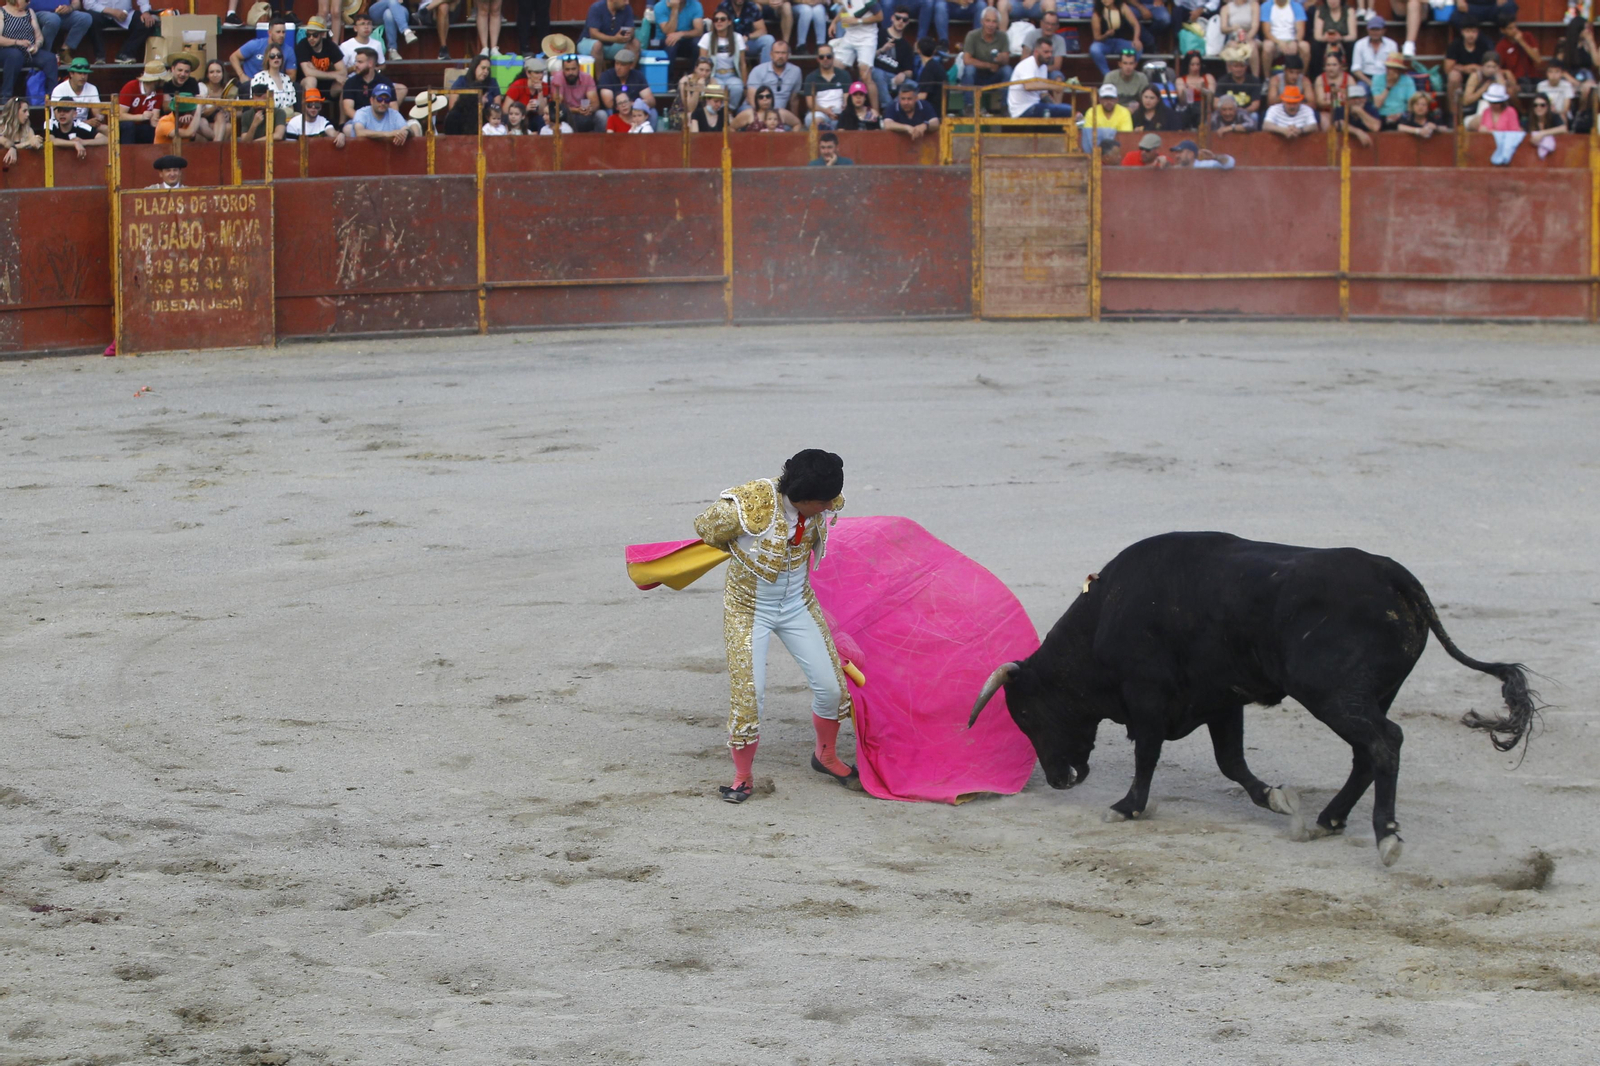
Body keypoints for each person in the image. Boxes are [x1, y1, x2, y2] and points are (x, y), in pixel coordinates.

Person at [693, 451, 856, 803]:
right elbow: (705, 529)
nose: (831, 507)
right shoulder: (744, 506)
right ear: (807, 499)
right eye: (825, 503)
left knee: (832, 689)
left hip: (799, 602)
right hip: (748, 608)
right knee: (750, 698)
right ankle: (742, 776)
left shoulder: (822, 498)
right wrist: (740, 546)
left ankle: (825, 756)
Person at [1315, 49, 1377, 143]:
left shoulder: (1348, 79)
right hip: (1326, 113)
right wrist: (1340, 100)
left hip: (1345, 113)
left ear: (1340, 66)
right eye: (1328, 65)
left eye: (1334, 65)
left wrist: (1336, 100)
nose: (1331, 68)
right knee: (1326, 120)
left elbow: (1354, 99)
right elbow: (1320, 102)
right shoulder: (1320, 79)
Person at [829, 0, 883, 109]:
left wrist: (857, 21)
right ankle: (836, 107)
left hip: (867, 37)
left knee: (865, 76)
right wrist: (834, 22)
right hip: (850, 36)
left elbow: (880, 16)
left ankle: (876, 113)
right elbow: (846, 8)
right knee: (835, 70)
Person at [1, 0, 56, 104]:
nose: (29, 2)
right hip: (8, 52)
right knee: (15, 55)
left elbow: (39, 36)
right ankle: (5, 96)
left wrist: (37, 45)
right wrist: (17, 42)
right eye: (26, 0)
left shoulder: (29, 12)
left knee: (50, 58)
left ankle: (52, 96)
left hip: (28, 52)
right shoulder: (2, 12)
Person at [1007, 37, 1073, 119]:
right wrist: (1054, 86)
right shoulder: (1028, 64)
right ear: (1036, 52)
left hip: (1036, 106)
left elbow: (1043, 94)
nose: (1049, 55)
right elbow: (1028, 86)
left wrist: (1055, 106)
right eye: (1046, 52)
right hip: (1023, 110)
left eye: (1051, 52)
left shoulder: (1043, 67)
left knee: (1067, 111)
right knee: (1069, 110)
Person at [343, 48, 409, 128]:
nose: (356, 65)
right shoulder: (351, 82)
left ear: (370, 63)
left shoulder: (385, 82)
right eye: (356, 62)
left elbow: (393, 107)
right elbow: (348, 109)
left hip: (382, 120)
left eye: (360, 62)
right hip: (359, 121)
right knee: (348, 129)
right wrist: (364, 121)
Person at [646, 0, 706, 83]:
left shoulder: (695, 5)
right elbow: (669, 31)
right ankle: (668, 82)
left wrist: (681, 34)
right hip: (665, 41)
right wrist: (675, 9)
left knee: (697, 43)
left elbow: (699, 31)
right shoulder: (660, 6)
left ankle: (692, 78)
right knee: (672, 44)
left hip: (685, 41)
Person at [699, 8, 746, 110]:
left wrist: (745, 84)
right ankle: (719, 112)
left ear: (729, 22)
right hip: (714, 75)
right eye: (716, 20)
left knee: (738, 87)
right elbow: (701, 63)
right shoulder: (707, 37)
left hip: (731, 75)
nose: (719, 22)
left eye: (722, 19)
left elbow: (743, 64)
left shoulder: (737, 37)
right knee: (717, 88)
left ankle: (729, 111)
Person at [80, 0, 153, 66]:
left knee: (146, 23)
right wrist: (113, 12)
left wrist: (145, 12)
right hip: (101, 14)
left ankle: (125, 54)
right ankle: (100, 57)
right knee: (89, 18)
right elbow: (88, 4)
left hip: (125, 15)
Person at [870, 6, 915, 109]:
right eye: (898, 18)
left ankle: (895, 106)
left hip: (893, 78)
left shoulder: (906, 46)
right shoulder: (879, 34)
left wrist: (903, 74)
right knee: (878, 73)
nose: (900, 22)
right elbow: (867, 58)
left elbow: (910, 71)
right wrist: (882, 50)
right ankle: (889, 109)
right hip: (876, 74)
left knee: (914, 85)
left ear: (907, 23)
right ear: (892, 18)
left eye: (904, 20)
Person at [598, 47, 656, 124]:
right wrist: (630, 104)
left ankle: (647, 136)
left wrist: (639, 103)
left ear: (631, 65)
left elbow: (651, 101)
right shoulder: (606, 76)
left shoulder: (638, 75)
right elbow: (608, 103)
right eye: (617, 63)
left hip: (635, 111)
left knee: (653, 113)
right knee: (604, 114)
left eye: (622, 65)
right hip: (615, 111)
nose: (618, 67)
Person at [296, 15, 347, 99]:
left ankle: (343, 112)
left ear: (322, 34)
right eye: (308, 35)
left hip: (327, 85)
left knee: (344, 83)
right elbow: (308, 72)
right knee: (311, 79)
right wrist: (334, 75)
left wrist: (314, 71)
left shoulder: (330, 45)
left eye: (315, 35)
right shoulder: (303, 45)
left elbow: (343, 72)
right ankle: (312, 109)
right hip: (306, 83)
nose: (311, 38)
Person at [231, 17, 296, 82]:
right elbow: (233, 57)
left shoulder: (289, 51)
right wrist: (241, 75)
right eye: (278, 32)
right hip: (251, 83)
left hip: (276, 84)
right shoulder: (255, 45)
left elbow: (292, 76)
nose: (281, 35)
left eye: (283, 32)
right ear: (269, 33)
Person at [351, 82, 421, 142]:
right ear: (372, 100)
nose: (383, 103)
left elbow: (406, 129)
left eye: (386, 100)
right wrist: (388, 134)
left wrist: (405, 132)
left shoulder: (394, 114)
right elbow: (359, 132)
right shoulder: (362, 113)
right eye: (379, 99)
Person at [745, 38, 800, 113]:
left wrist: (794, 118)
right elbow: (751, 97)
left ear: (788, 55)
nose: (780, 56)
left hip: (779, 114)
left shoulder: (796, 71)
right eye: (777, 53)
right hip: (755, 109)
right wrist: (764, 116)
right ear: (771, 54)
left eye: (783, 53)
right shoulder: (758, 70)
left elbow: (794, 99)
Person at [116, 58, 163, 145]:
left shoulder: (159, 91)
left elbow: (155, 117)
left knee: (152, 130)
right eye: (162, 79)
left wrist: (158, 122)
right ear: (156, 81)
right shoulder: (131, 86)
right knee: (128, 126)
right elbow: (120, 115)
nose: (164, 81)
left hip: (142, 126)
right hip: (124, 126)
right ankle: (126, 155)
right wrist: (141, 117)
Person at [803, 42, 848, 126]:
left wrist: (842, 111)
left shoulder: (844, 75)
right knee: (813, 119)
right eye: (821, 57)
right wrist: (825, 111)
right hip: (820, 113)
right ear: (818, 59)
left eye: (828, 56)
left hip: (840, 114)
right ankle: (824, 128)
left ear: (833, 57)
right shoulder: (811, 78)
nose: (825, 59)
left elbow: (847, 98)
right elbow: (810, 104)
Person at [1090, 0, 1140, 75]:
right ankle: (1107, 75)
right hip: (1104, 43)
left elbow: (1136, 24)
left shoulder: (1122, 7)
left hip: (1119, 42)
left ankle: (1128, 73)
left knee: (1138, 47)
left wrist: (1136, 39)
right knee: (1094, 49)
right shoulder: (1097, 12)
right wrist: (1106, 35)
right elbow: (1097, 37)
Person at [552, 53, 599, 132]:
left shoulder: (587, 77)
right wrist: (576, 110)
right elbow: (557, 105)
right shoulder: (558, 78)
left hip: (585, 112)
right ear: (563, 69)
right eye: (567, 69)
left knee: (601, 115)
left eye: (573, 69)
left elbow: (595, 103)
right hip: (567, 113)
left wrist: (589, 109)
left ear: (579, 68)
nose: (570, 72)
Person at [1444, 20, 1490, 100]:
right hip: (1460, 78)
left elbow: (1490, 66)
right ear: (1462, 32)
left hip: (1478, 78)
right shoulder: (1455, 45)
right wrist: (1466, 68)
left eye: (1473, 31)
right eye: (1467, 31)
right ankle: (1454, 111)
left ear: (1478, 32)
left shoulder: (1483, 45)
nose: (1470, 35)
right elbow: (1448, 69)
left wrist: (1477, 69)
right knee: (1454, 76)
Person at [1080, 80, 1132, 150]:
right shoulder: (1091, 112)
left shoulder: (1124, 112)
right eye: (1105, 99)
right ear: (1100, 99)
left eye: (1111, 99)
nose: (1108, 102)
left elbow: (1125, 135)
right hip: (1095, 150)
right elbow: (1089, 135)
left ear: (1117, 99)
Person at [581, 0, 635, 68]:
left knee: (635, 43)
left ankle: (629, 76)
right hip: (589, 42)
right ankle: (600, 78)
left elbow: (631, 29)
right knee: (597, 45)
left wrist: (628, 35)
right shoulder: (596, 8)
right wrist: (614, 39)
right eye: (624, 0)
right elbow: (593, 34)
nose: (627, 2)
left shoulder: (627, 8)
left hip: (615, 44)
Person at [1260, 0, 1311, 70]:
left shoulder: (1296, 6)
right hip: (1274, 42)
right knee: (1267, 46)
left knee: (1305, 46)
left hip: (1292, 41)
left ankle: (1301, 77)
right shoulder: (1266, 6)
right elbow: (1266, 32)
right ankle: (1267, 78)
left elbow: (1300, 31)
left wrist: (1295, 41)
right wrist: (1279, 42)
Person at [49, 55, 99, 127]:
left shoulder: (92, 88)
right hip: (61, 127)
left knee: (105, 129)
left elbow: (97, 113)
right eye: (79, 73)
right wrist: (84, 123)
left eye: (85, 73)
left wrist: (99, 117)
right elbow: (58, 117)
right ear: (71, 74)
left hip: (84, 127)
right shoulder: (59, 89)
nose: (83, 77)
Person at [1369, 52, 1415, 127]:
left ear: (1399, 70)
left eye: (1394, 68)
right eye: (1389, 67)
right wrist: (1388, 86)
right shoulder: (1377, 79)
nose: (1390, 71)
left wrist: (1400, 114)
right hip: (1382, 115)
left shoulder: (1407, 80)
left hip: (1401, 114)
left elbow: (1411, 104)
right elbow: (1377, 104)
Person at [1310, 0, 1355, 76]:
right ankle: (1316, 77)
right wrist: (1325, 38)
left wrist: (1340, 38)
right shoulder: (1320, 10)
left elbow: (1353, 35)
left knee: (1352, 45)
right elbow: (1317, 36)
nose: (1332, 1)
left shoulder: (1349, 11)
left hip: (1343, 40)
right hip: (1325, 41)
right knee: (1315, 45)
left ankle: (1350, 76)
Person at [1348, 12, 1394, 84]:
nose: (1375, 32)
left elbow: (1393, 68)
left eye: (1377, 29)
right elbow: (1356, 69)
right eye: (1372, 29)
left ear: (1384, 30)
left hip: (1385, 78)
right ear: (1368, 30)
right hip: (1365, 78)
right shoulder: (1359, 44)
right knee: (1359, 91)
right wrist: (1369, 82)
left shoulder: (1392, 44)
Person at [1217, 48, 1263, 114]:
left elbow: (1256, 104)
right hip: (1227, 113)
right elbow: (1216, 103)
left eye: (1242, 66)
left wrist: (1243, 112)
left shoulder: (1254, 81)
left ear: (1246, 67)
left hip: (1247, 112)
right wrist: (1229, 111)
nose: (1239, 69)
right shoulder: (1223, 81)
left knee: (1254, 116)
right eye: (1236, 66)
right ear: (1230, 67)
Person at [0, 94, 42, 165]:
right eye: (24, 111)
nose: (28, 114)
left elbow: (34, 143)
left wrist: (36, 141)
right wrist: (27, 143)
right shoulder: (1, 128)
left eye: (28, 111)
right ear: (15, 112)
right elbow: (5, 143)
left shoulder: (28, 130)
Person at [1220, 3, 1260, 74]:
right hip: (1233, 38)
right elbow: (1223, 29)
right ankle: (1231, 78)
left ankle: (1255, 79)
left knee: (1252, 46)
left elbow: (1255, 27)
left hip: (1251, 37)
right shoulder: (1225, 8)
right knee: (1231, 47)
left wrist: (1245, 39)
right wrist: (1232, 28)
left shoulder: (1254, 5)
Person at [915, 35, 948, 113]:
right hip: (939, 108)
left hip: (933, 111)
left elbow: (922, 96)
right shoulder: (937, 66)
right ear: (934, 51)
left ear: (918, 50)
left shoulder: (929, 69)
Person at [1171, 137, 1235, 165]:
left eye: (1180, 152)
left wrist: (1215, 157)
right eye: (1176, 153)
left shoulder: (1204, 165)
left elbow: (1230, 163)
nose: (1177, 156)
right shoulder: (1177, 168)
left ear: (1191, 154)